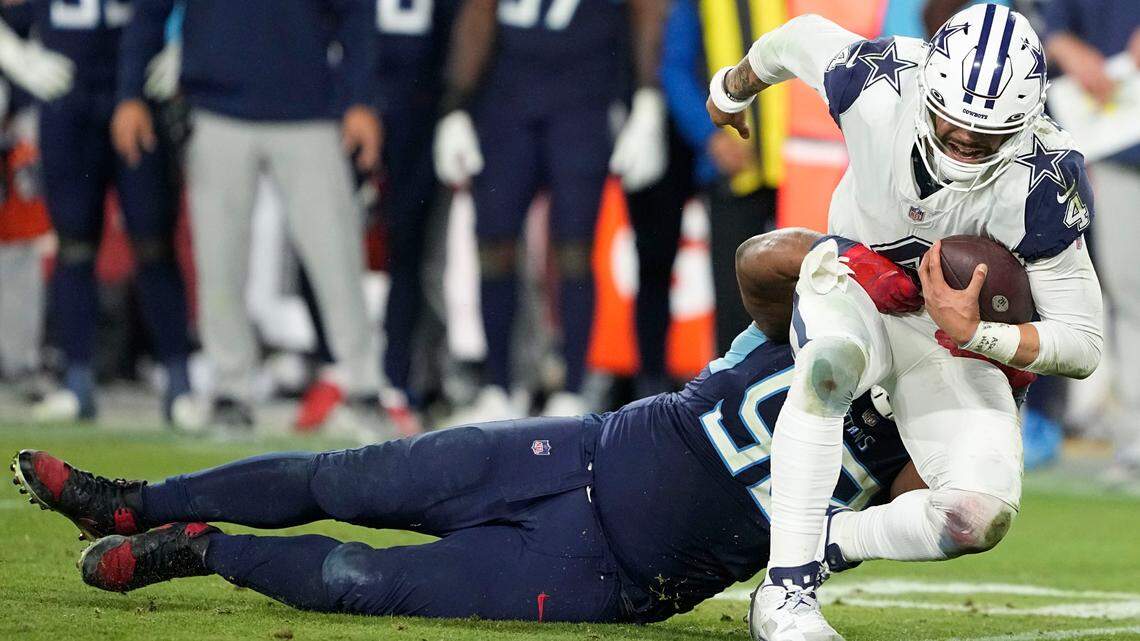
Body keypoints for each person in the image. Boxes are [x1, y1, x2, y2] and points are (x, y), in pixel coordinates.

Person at [14, 229, 925, 624]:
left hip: (605, 574)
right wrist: (865, 267)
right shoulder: (834, 306)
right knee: (345, 476)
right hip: (579, 448)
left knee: (359, 578)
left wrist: (959, 400)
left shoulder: (932, 429)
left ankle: (200, 547)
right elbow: (760, 260)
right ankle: (125, 500)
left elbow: (940, 516)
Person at [707, 5, 1103, 640]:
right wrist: (731, 88)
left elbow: (1084, 343)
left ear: (1029, 120)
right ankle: (786, 595)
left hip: (947, 338)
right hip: (855, 282)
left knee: (976, 517)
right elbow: (798, 38)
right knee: (830, 365)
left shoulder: (1043, 179)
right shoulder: (880, 81)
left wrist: (979, 335)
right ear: (929, 95)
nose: (965, 145)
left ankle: (815, 538)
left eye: (987, 136)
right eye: (952, 125)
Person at [111, 0, 382, 428]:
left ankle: (363, 384)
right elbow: (150, 10)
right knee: (219, 260)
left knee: (336, 255)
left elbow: (356, 12)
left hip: (308, 108)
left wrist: (360, 99)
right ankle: (231, 388)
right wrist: (129, 93)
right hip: (218, 106)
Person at [432, 0, 668, 420]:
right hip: (505, 99)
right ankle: (499, 386)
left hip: (583, 100)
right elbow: (478, 12)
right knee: (494, 243)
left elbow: (647, 10)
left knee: (574, 248)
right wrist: (456, 104)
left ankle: (572, 389)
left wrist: (648, 97)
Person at [0, 0, 192, 424]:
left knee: (154, 241)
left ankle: (179, 381)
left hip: (140, 99)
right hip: (68, 99)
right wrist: (13, 54)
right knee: (74, 246)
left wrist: (186, 45)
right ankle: (76, 380)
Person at [295, 0, 459, 436]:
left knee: (409, 248)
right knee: (318, 236)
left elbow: (456, 30)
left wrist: (455, 108)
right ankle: (338, 366)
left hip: (418, 106)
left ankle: (394, 378)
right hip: (342, 100)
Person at [1042, 0, 1140, 480]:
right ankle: (1136, 443)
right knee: (1131, 294)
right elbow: (1049, 24)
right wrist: (1072, 52)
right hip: (1121, 140)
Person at [658, 0, 783, 355]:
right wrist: (710, 137)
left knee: (817, 294)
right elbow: (675, 69)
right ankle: (732, 401)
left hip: (805, 170)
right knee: (735, 304)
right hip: (734, 173)